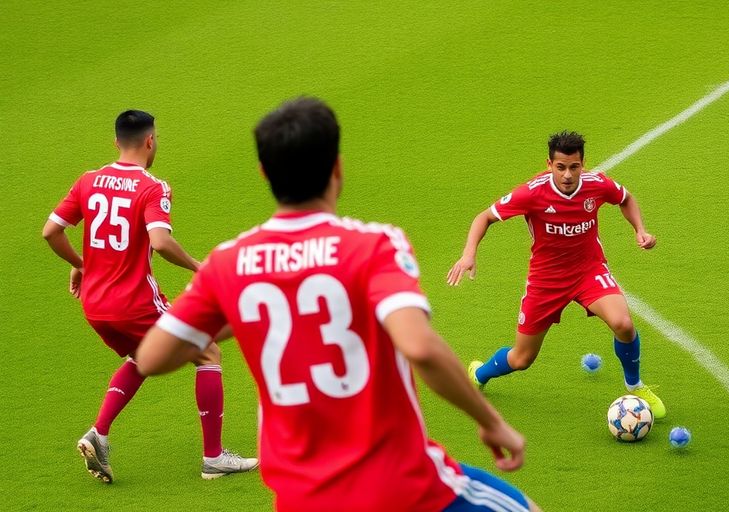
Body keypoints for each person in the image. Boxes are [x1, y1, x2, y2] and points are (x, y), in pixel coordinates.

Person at [134, 97, 539, 512]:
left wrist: (243, 311)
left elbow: (151, 357)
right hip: (399, 487)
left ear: (264, 173)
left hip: (302, 500)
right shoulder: (374, 245)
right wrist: (491, 423)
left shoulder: (228, 263)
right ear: (338, 168)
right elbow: (419, 347)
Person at [42, 110, 257, 482]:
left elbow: (50, 232)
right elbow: (159, 240)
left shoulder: (88, 181)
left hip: (95, 305)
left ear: (116, 142)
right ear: (150, 141)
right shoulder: (152, 187)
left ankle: (99, 434)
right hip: (136, 302)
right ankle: (214, 459)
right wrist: (196, 265)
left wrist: (82, 263)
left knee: (141, 356)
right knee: (208, 350)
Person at [447, 131, 665, 418]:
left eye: (574, 167)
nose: (567, 175)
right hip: (545, 281)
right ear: (549, 164)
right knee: (522, 358)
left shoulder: (597, 184)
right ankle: (480, 373)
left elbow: (625, 198)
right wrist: (468, 253)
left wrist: (639, 230)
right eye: (560, 167)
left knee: (623, 323)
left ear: (583, 164)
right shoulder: (531, 193)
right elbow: (484, 217)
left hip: (588, 271)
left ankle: (635, 386)